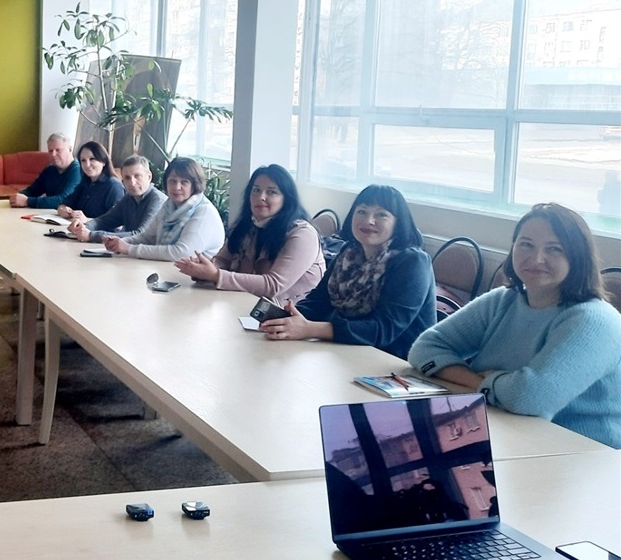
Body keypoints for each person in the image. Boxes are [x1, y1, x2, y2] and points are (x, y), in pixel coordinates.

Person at [409, 203, 621, 448]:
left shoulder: (594, 320)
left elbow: (531, 399)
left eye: (554, 249)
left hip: (581, 452)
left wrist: (489, 384)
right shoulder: (503, 300)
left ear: (578, 257)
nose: (537, 258)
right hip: (506, 429)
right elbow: (424, 348)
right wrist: (480, 383)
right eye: (526, 244)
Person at [259, 184, 435, 359]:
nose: (369, 220)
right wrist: (287, 318)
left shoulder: (412, 262)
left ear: (398, 222)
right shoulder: (349, 253)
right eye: (362, 212)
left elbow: (383, 330)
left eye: (381, 214)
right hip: (349, 352)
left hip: (397, 363)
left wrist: (310, 329)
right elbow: (319, 302)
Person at [173, 164, 325, 303]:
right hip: (245, 304)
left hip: (289, 315)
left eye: (272, 192)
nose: (261, 197)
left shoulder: (303, 235)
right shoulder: (249, 225)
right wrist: (206, 268)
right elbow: (223, 260)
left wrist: (215, 275)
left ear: (287, 199)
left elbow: (273, 285)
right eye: (256, 190)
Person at [101, 157, 225, 262]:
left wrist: (128, 248)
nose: (177, 187)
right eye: (172, 181)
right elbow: (148, 237)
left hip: (195, 280)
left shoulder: (204, 212)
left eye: (184, 182)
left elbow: (182, 253)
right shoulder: (169, 205)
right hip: (168, 270)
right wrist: (120, 242)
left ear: (195, 185)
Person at [68, 155, 167, 243]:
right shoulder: (128, 198)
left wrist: (91, 235)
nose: (132, 182)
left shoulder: (157, 201)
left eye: (137, 176)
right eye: (127, 178)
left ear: (149, 177)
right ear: (123, 181)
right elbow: (104, 221)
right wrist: (83, 227)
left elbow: (140, 236)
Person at [54, 141, 123, 221]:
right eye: (83, 160)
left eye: (92, 159)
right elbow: (67, 202)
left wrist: (87, 220)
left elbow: (117, 222)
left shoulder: (114, 186)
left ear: (103, 161)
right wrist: (62, 208)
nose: (87, 165)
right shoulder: (85, 183)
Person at [9, 133, 80, 210]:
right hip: (49, 214)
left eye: (58, 150)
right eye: (50, 151)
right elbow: (32, 191)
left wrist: (27, 201)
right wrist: (18, 196)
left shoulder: (78, 170)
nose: (53, 154)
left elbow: (63, 200)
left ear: (70, 149)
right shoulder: (50, 169)